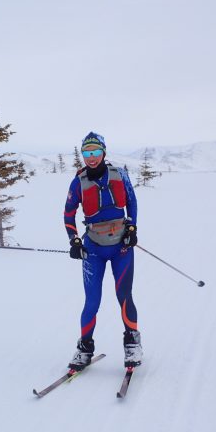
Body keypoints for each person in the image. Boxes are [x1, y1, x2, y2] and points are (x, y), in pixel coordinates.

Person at [63, 131, 142, 371]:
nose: (91, 157)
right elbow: (68, 213)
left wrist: (131, 227)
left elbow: (132, 202)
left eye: (96, 152)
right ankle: (85, 348)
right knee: (92, 301)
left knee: (124, 296)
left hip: (121, 248)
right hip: (93, 250)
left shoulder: (120, 175)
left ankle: (132, 343)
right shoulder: (78, 181)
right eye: (87, 153)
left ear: (103, 152)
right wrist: (74, 240)